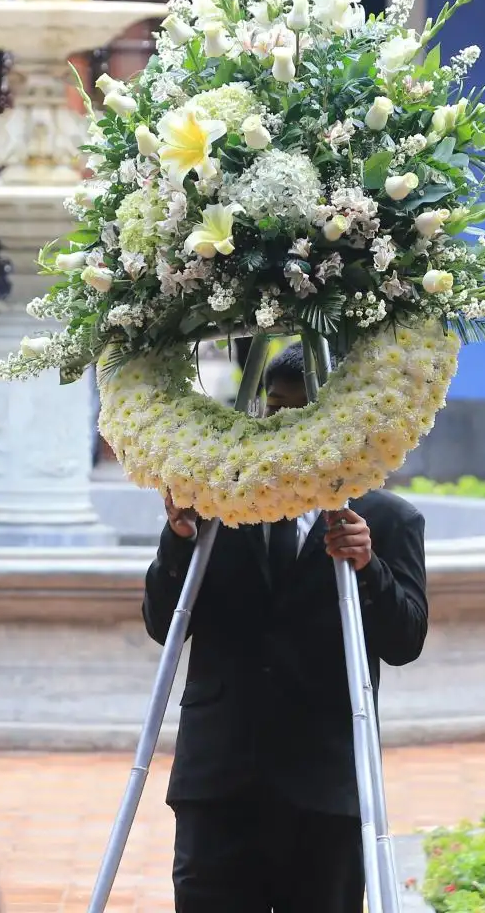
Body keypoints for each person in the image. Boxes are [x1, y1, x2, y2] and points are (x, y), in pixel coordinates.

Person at [146, 341, 428, 913]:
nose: (284, 425)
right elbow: (162, 623)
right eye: (275, 408)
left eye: (302, 411)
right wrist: (177, 540)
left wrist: (369, 568)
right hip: (221, 774)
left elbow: (406, 640)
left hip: (324, 779)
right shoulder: (218, 504)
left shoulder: (387, 519)